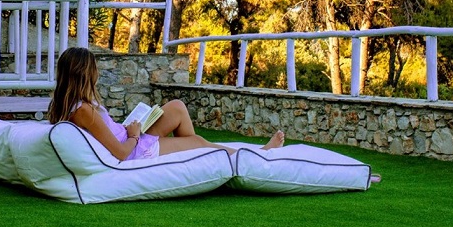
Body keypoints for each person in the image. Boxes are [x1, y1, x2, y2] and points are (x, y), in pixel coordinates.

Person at [46, 47, 285, 162]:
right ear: (85, 74)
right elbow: (119, 153)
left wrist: (129, 129)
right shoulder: (83, 110)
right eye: (94, 69)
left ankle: (193, 157)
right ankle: (257, 155)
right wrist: (134, 135)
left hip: (130, 137)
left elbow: (105, 133)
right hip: (135, 149)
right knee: (198, 142)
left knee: (177, 107)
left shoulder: (77, 105)